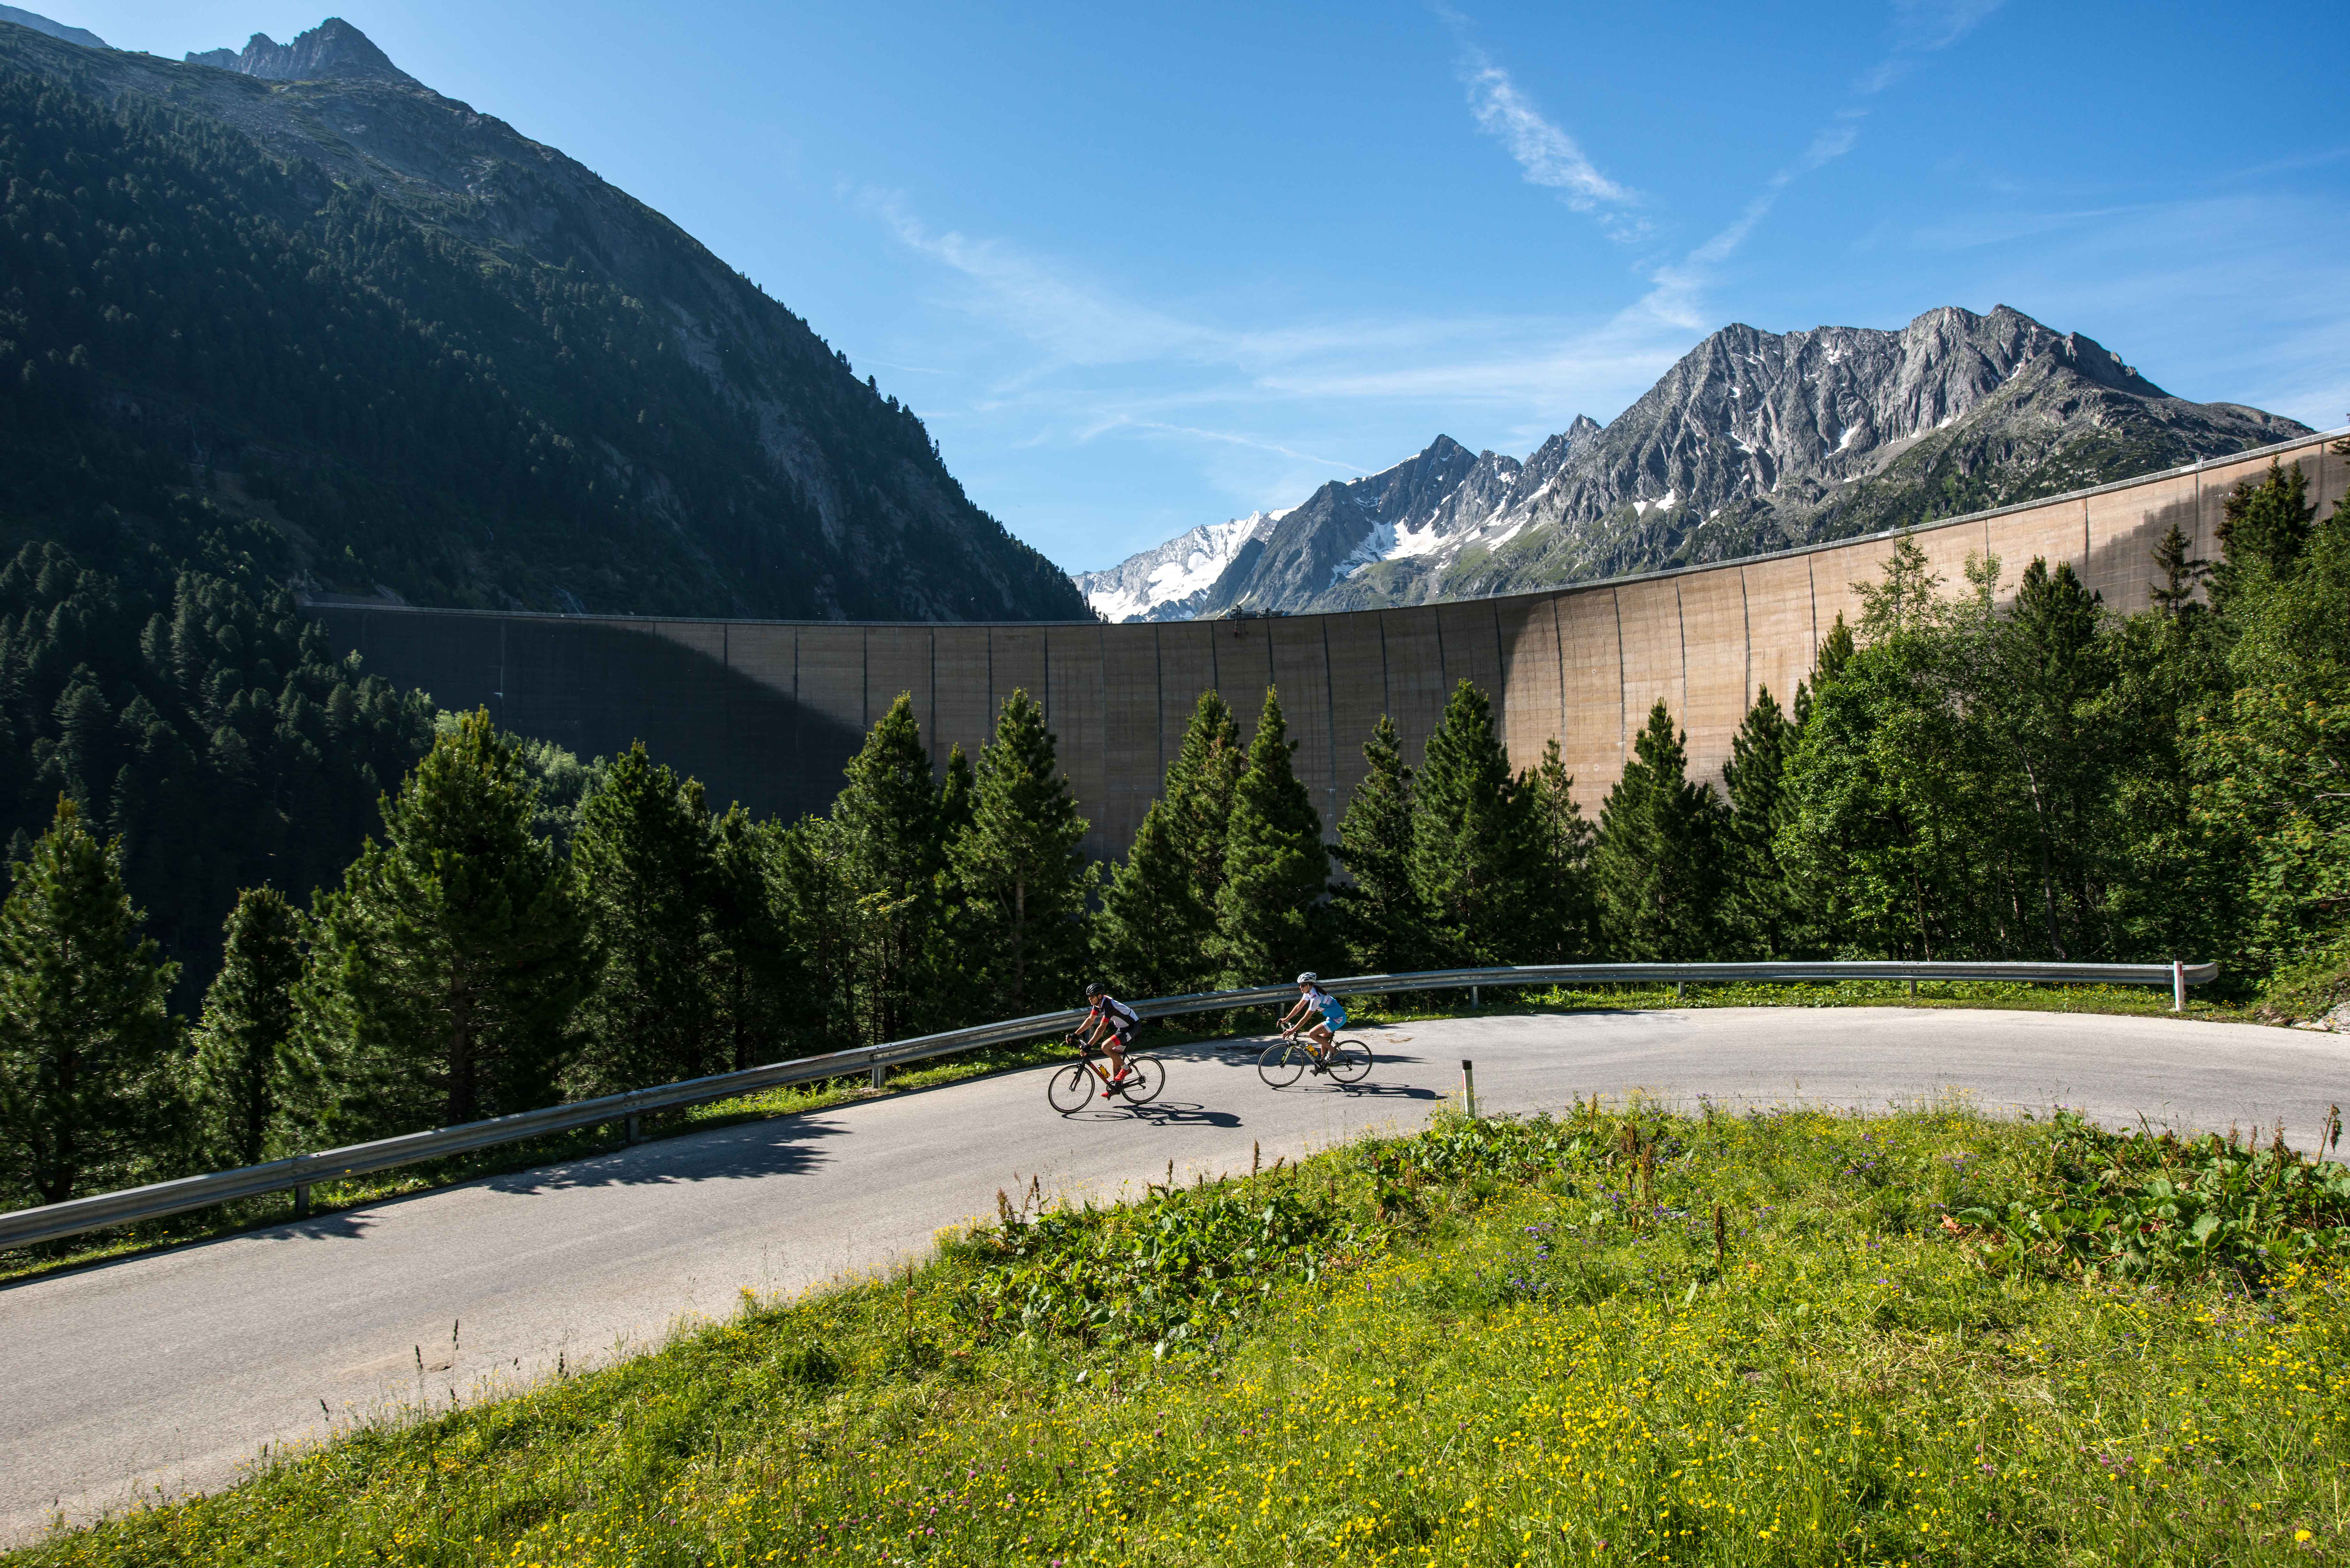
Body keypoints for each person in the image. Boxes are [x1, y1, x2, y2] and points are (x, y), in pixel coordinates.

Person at [1075, 982, 1141, 1086]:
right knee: (1115, 1057)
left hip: (1133, 1027)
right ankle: (1116, 1087)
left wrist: (1090, 1045)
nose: (1090, 999)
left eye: (1092, 997)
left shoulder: (1108, 1005)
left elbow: (1102, 1028)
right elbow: (1090, 1020)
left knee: (1105, 1047)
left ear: (1099, 996)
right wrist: (1075, 1034)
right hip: (1123, 1028)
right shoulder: (1098, 1004)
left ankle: (1127, 1069)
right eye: (1089, 997)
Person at [1277, 971, 1347, 1068]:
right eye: (1300, 985)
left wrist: (1292, 1031)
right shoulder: (1309, 992)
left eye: (1302, 985)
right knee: (1324, 1038)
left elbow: (1306, 1018)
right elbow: (1299, 1007)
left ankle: (1334, 1051)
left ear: (1310, 985)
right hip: (1332, 1017)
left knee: (1312, 1034)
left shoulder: (1316, 997)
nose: (1300, 988)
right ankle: (1324, 1063)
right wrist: (1286, 1019)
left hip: (1338, 1019)